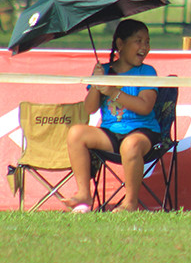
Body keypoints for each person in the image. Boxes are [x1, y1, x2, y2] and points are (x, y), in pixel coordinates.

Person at [62, 19, 159, 212]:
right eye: (138, 41)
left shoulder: (147, 71)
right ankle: (84, 194)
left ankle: (130, 203)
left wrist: (113, 91)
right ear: (120, 44)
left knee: (130, 145)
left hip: (143, 132)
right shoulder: (104, 71)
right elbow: (90, 109)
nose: (144, 47)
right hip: (111, 133)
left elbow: (145, 107)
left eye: (147, 42)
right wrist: (97, 83)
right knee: (76, 133)